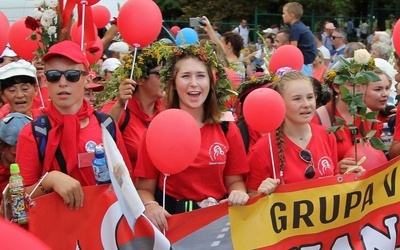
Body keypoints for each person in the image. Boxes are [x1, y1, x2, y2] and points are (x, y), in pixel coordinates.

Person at [134, 42, 249, 231]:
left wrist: (238, 192)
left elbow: (235, 181)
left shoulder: (227, 128)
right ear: (174, 83)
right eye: (186, 76)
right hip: (173, 224)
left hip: (216, 224)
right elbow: (144, 189)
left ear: (210, 84)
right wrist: (151, 206)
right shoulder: (158, 129)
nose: (194, 83)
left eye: (201, 76)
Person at [15, 41, 132, 210]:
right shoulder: (34, 133)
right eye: (54, 76)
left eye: (72, 75)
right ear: (45, 81)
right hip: (53, 231)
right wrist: (49, 181)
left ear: (87, 79)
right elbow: (18, 203)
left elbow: (127, 184)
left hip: (102, 229)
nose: (62, 82)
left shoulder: (106, 125)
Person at [247, 71, 344, 197]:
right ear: (280, 102)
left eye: (310, 97)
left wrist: (352, 177)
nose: (306, 104)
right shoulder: (263, 148)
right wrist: (261, 193)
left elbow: (335, 182)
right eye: (297, 99)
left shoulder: (327, 135)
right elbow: (251, 197)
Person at [101, 41, 171, 169]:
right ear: (139, 79)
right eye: (159, 73)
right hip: (129, 187)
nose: (165, 79)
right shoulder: (120, 108)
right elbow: (100, 134)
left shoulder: (166, 111)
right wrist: (120, 104)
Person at [312, 52, 376, 173]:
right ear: (336, 87)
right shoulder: (319, 118)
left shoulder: (369, 116)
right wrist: (336, 167)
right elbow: (312, 165)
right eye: (353, 85)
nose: (360, 90)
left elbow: (378, 156)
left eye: (363, 84)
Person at [282, 2, 317, 76]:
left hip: (302, 63)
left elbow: (293, 49)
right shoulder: (300, 26)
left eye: (284, 13)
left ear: (291, 15)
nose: (282, 16)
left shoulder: (295, 28)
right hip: (307, 61)